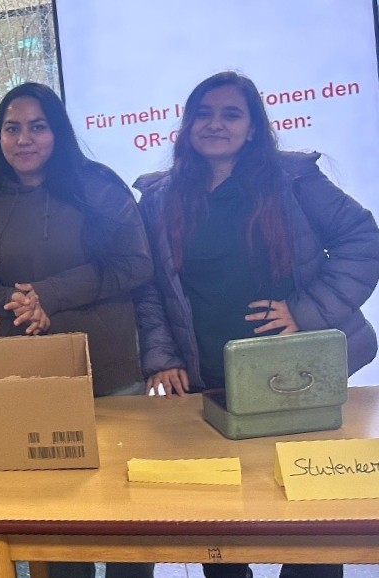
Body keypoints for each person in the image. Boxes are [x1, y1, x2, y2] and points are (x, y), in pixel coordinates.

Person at [133, 71, 379, 578]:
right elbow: (150, 287)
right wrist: (163, 357)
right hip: (207, 378)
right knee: (220, 529)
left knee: (310, 525)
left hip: (293, 378)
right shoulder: (159, 198)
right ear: (187, 124)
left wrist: (306, 312)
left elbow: (362, 240)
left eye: (231, 114)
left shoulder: (293, 180)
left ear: (252, 128)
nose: (215, 124)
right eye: (204, 114)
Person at [0, 83, 154, 578]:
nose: (23, 139)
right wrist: (22, 304)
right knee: (60, 519)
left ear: (58, 132)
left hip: (109, 372)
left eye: (37, 127)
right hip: (33, 380)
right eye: (12, 128)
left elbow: (135, 264)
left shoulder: (98, 187)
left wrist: (51, 295)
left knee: (128, 514)